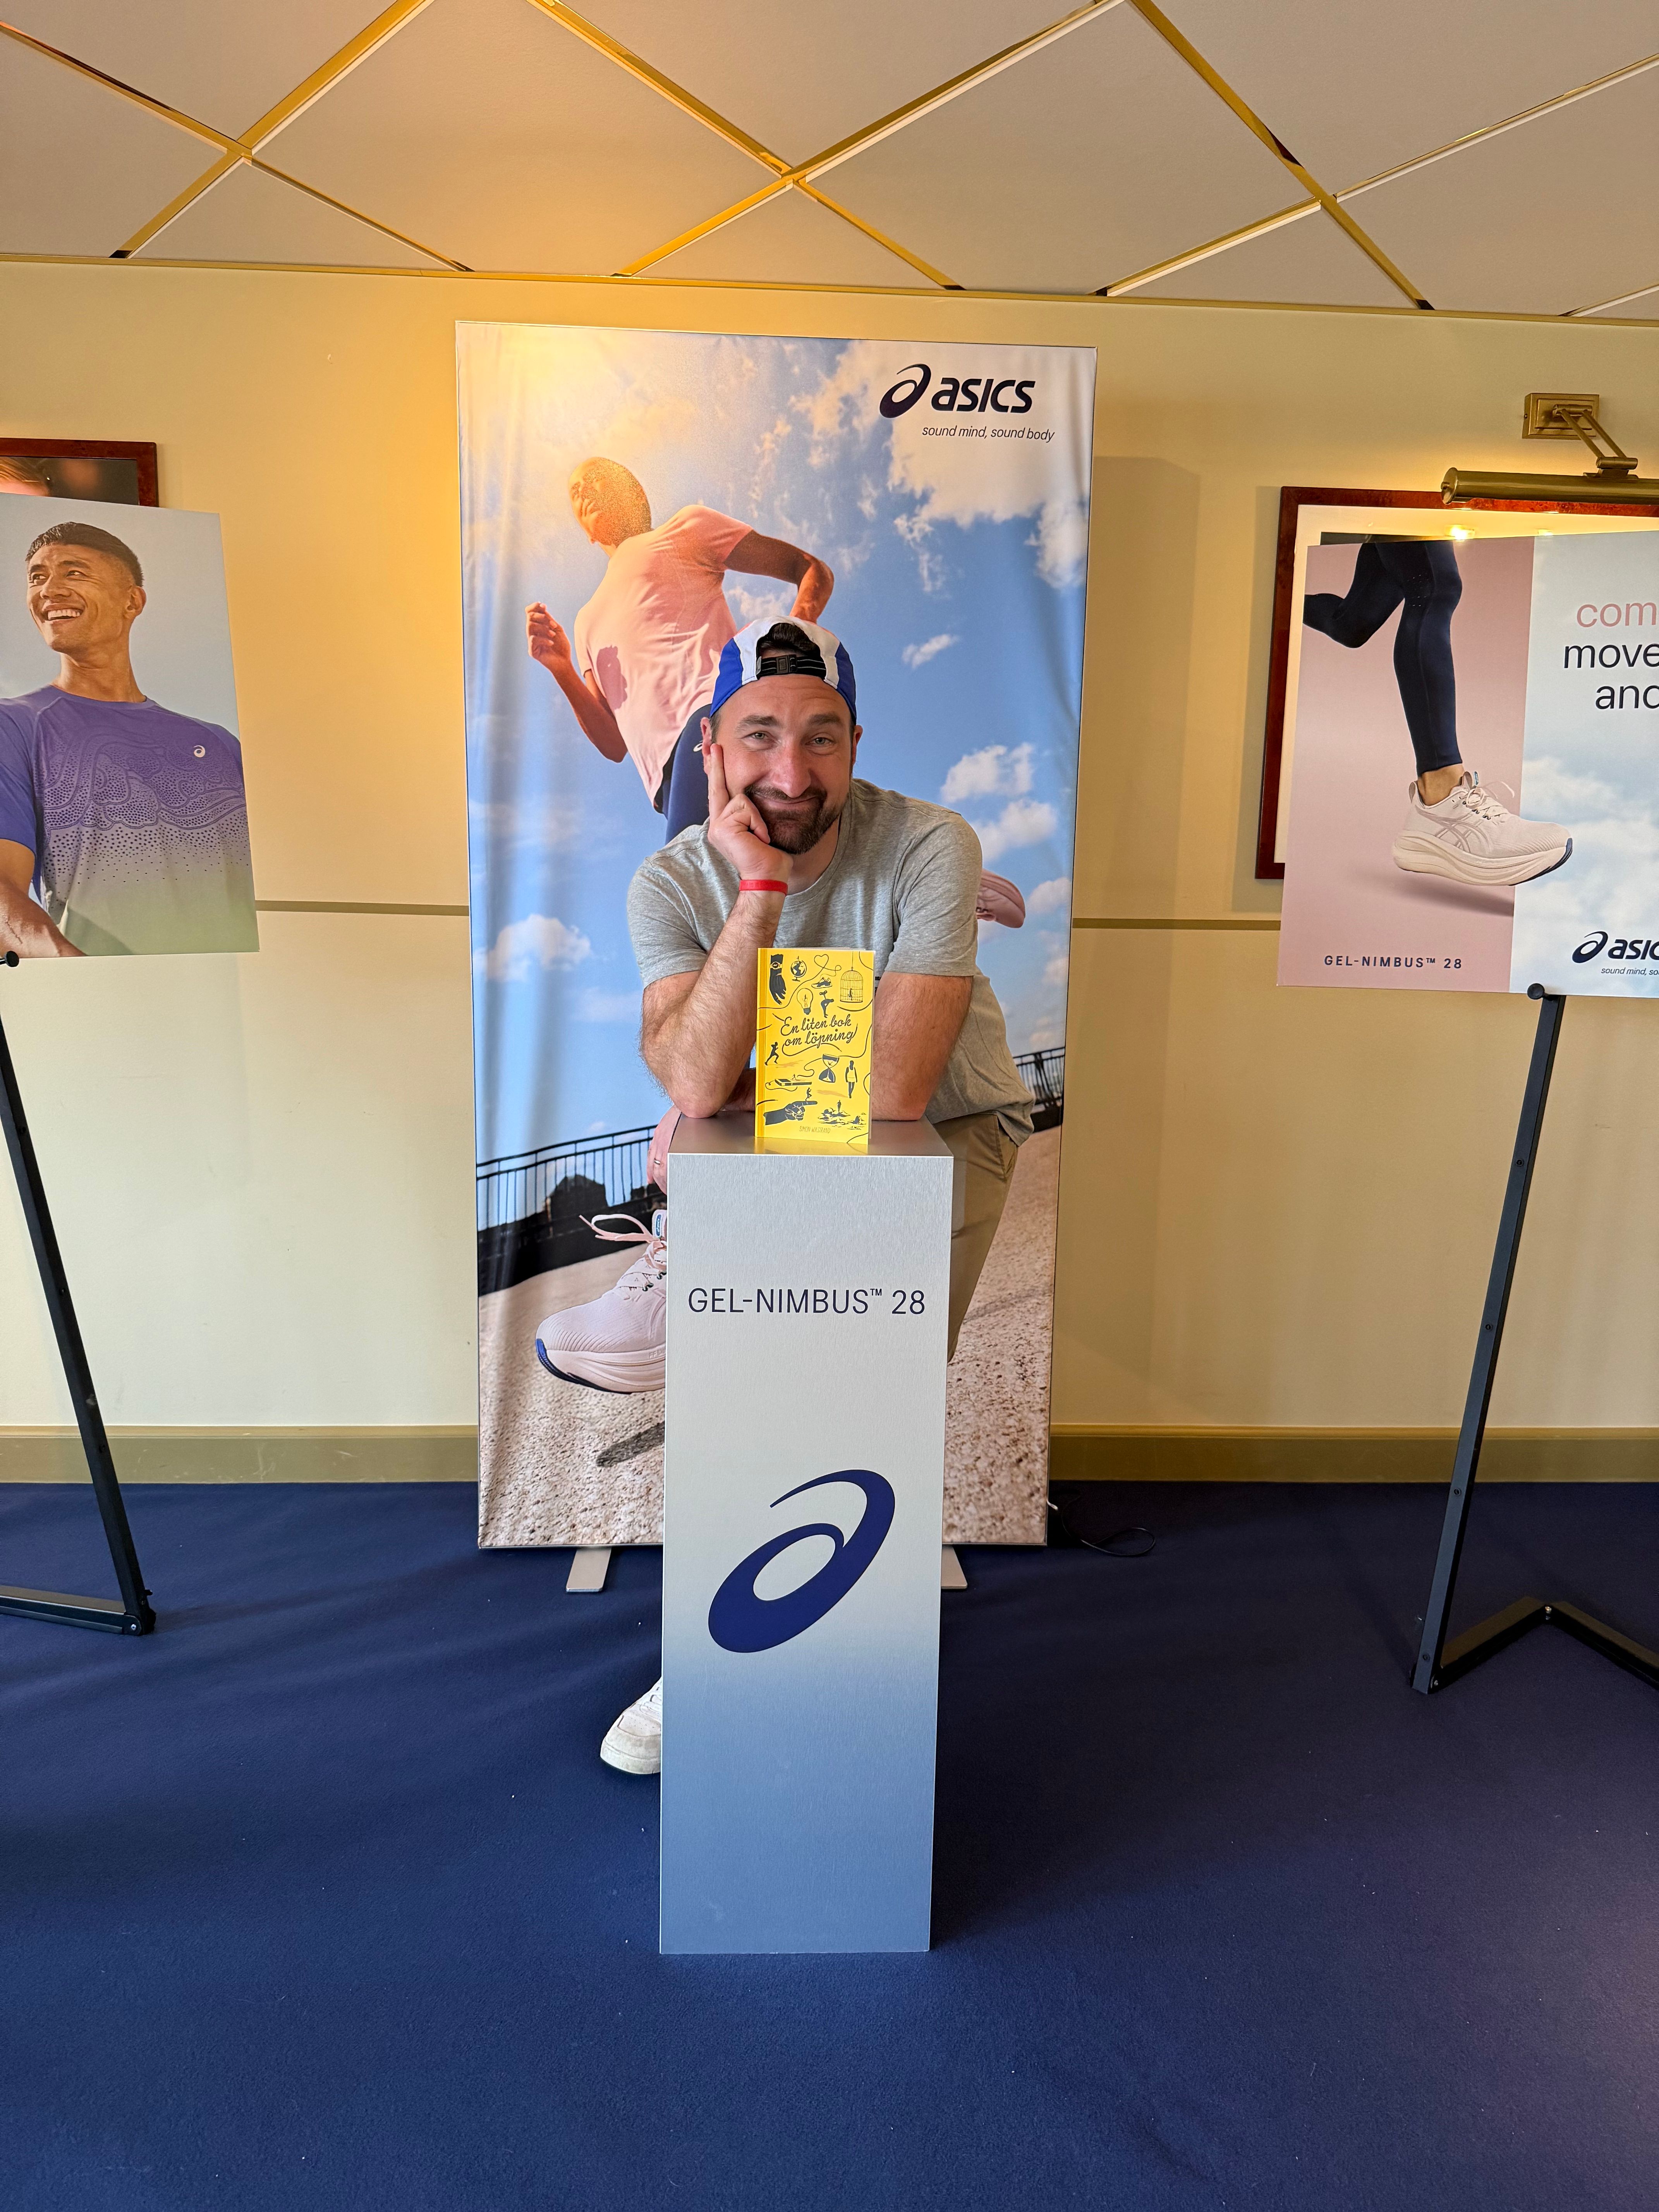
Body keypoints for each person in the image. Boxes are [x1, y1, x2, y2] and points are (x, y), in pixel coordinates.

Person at [535, 616, 1035, 1774]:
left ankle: (808, 1658)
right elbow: (700, 1077)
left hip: (948, 1133)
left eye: (822, 737)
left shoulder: (929, 840)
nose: (791, 771)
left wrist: (715, 1077)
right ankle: (718, 1653)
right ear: (711, 743)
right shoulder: (674, 878)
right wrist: (758, 892)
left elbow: (902, 1091)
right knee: (765, 1388)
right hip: (775, 1138)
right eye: (760, 735)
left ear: (857, 740)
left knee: (852, 1390)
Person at [524, 457, 1026, 924]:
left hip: (714, 719)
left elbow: (812, 571)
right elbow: (614, 746)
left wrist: (792, 642)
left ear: (631, 492)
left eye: (597, 481)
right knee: (746, 904)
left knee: (707, 908)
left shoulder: (684, 532)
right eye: (576, 491)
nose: (585, 492)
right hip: (666, 779)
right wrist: (562, 667)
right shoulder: (587, 621)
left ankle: (926, 876)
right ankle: (921, 874)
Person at [0, 523, 256, 958]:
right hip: (104, 1007)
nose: (50, 591)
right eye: (37, 578)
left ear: (132, 601)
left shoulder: (219, 744)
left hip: (241, 1005)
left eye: (74, 573)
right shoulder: (16, 725)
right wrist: (73, 968)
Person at [1303, 537, 1571, 885]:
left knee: (1351, 625)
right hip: (1413, 488)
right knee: (1434, 587)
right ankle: (1441, 793)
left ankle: (1272, 596)